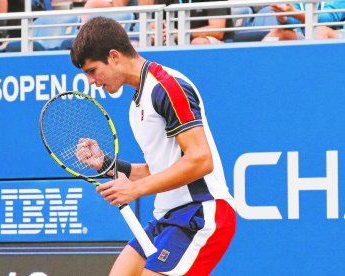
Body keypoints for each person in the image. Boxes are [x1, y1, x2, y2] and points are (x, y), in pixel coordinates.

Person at [71, 17, 236, 275]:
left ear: (114, 56)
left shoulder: (167, 86)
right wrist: (105, 164)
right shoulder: (135, 105)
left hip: (201, 212)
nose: (91, 81)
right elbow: (158, 169)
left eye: (92, 70)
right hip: (168, 217)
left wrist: (134, 190)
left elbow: (201, 159)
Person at [263, 1, 345, 41]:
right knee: (277, 33)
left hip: (340, 40)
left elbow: (327, 18)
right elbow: (294, 20)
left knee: (320, 30)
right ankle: (257, 68)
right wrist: (283, 17)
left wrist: (294, 13)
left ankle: (313, 70)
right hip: (308, 38)